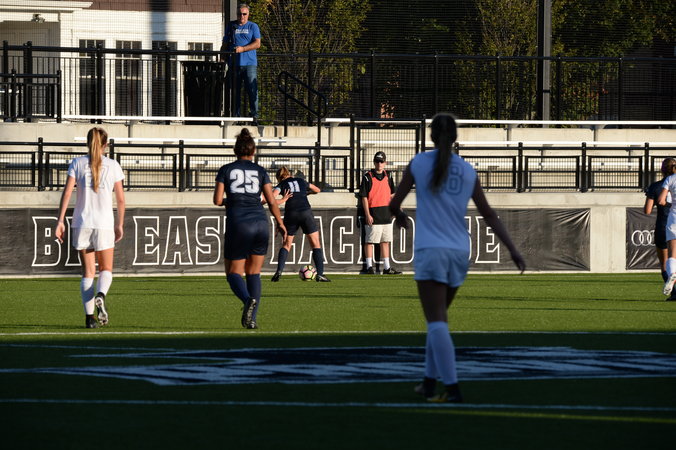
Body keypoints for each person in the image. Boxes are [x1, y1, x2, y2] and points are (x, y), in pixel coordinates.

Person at [389, 113, 526, 402]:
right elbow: (489, 214)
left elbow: (393, 203)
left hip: (431, 249)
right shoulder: (466, 170)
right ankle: (428, 383)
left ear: (430, 136)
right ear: (455, 137)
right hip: (460, 250)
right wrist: (513, 249)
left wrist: (399, 215)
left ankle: (452, 389)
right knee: (439, 319)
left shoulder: (418, 163)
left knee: (436, 321)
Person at [213, 128, 286, 329]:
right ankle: (251, 320)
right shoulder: (260, 171)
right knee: (254, 273)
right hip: (261, 223)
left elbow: (217, 200)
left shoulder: (226, 170)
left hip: (239, 223)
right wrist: (280, 223)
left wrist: (232, 201)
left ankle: (247, 300)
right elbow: (271, 201)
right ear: (253, 151)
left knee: (233, 273)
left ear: (235, 151)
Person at [55, 127, 126, 329]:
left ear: (87, 143)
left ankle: (89, 319)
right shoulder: (113, 165)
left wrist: (60, 221)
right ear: (106, 145)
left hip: (82, 223)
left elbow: (67, 193)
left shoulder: (77, 163)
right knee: (106, 269)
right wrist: (120, 224)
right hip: (104, 223)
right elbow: (121, 200)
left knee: (88, 273)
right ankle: (101, 295)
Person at [270, 167, 330, 282]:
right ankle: (320, 274)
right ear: (289, 174)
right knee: (315, 244)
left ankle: (279, 271)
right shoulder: (301, 181)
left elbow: (271, 200)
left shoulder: (281, 185)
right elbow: (317, 190)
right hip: (305, 212)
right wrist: (306, 193)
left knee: (286, 244)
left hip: (291, 213)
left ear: (279, 178)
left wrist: (283, 199)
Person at [359, 151, 402, 275]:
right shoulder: (367, 176)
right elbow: (364, 197)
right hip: (374, 214)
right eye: (377, 161)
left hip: (386, 214)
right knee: (370, 241)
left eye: (381, 162)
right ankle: (369, 267)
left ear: (385, 163)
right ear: (374, 162)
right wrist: (368, 214)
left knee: (385, 241)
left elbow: (392, 194)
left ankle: (387, 268)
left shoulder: (389, 176)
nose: (379, 164)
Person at [221, 3, 261, 121]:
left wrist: (243, 49)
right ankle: (236, 117)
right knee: (235, 92)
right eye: (239, 14)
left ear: (248, 14)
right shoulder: (231, 25)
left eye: (244, 14)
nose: (241, 16)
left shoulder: (253, 26)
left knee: (252, 90)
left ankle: (254, 116)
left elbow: (257, 43)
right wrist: (222, 58)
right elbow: (225, 43)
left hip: (249, 64)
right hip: (234, 64)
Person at [644, 158, 676, 300]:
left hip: (664, 225)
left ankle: (674, 293)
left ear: (662, 169)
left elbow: (647, 210)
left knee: (665, 262)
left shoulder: (657, 186)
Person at [655, 160, 676, 298]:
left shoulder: (670, 179)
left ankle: (672, 274)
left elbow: (661, 200)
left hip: (674, 218)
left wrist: (668, 202)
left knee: (672, 254)